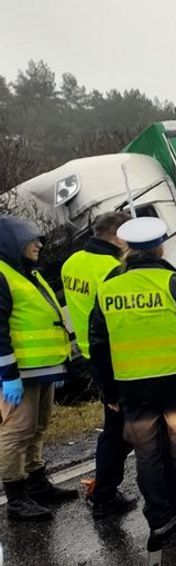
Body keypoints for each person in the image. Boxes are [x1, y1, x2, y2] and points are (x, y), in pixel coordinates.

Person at [88, 216, 176, 543]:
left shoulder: (108, 290)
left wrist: (106, 390)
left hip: (132, 387)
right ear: (159, 247)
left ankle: (159, 519)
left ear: (127, 248)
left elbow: (99, 345)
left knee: (147, 455)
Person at [0, 214, 78, 521]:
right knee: (16, 431)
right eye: (31, 240)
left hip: (42, 369)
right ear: (11, 243)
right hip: (18, 373)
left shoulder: (28, 273)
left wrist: (59, 362)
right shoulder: (4, 276)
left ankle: (36, 481)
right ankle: (16, 498)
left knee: (38, 426)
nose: (39, 245)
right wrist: (8, 375)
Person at [61, 211, 137, 519]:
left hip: (93, 354)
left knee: (116, 429)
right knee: (123, 430)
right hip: (117, 354)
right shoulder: (113, 268)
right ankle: (105, 495)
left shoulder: (71, 263)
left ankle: (105, 491)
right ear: (118, 236)